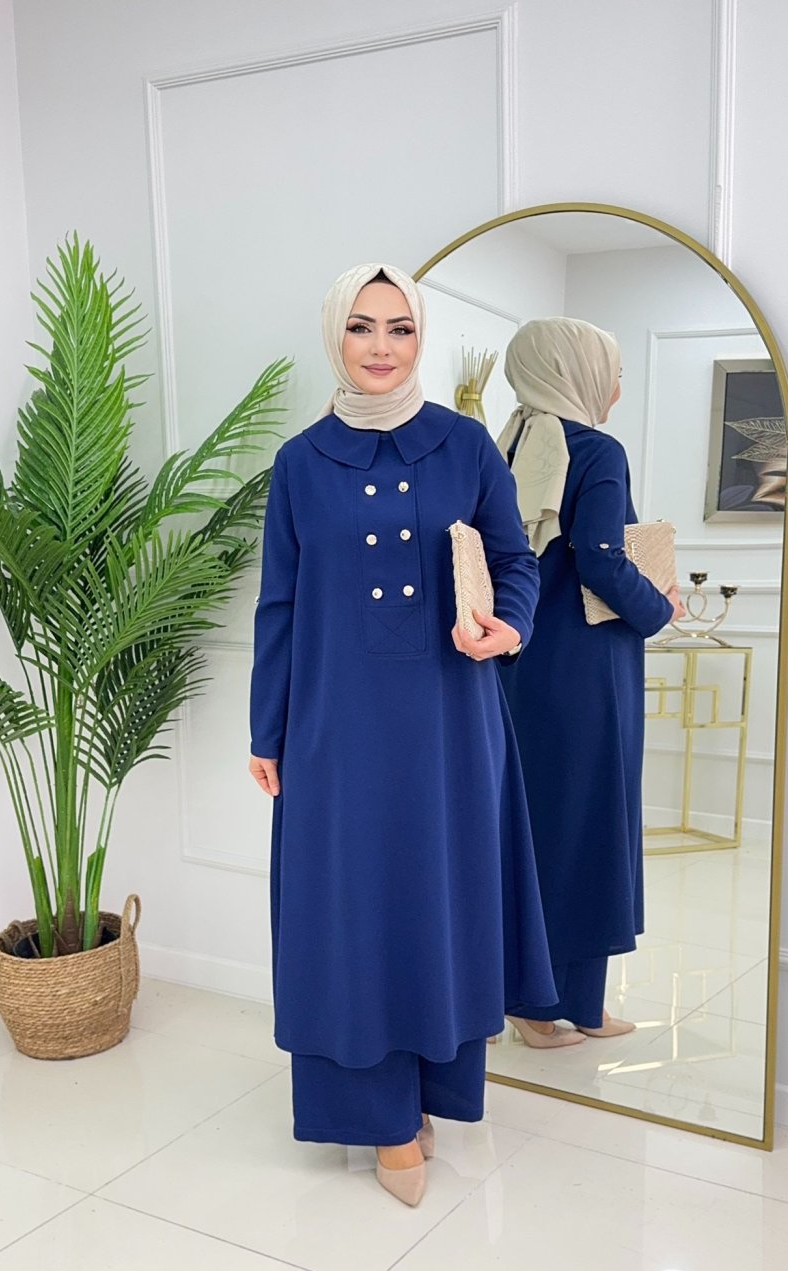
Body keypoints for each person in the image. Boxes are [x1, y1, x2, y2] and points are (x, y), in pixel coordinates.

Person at [248, 264, 556, 1206]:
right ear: (334, 336)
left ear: (421, 337)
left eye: (400, 328)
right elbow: (279, 605)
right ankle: (381, 1118)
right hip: (335, 729)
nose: (381, 347)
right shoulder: (300, 462)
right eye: (361, 327)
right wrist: (268, 729)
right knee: (351, 908)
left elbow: (515, 562)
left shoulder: (466, 446)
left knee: (436, 901)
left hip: (450, 726)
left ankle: (430, 1094)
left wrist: (509, 625)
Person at [496, 318, 684, 1049]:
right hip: (587, 673)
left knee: (536, 833)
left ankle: (537, 998)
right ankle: (557, 1005)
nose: (617, 388)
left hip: (518, 669)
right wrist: (659, 608)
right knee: (588, 831)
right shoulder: (597, 451)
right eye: (613, 371)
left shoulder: (508, 446)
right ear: (573, 371)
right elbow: (602, 561)